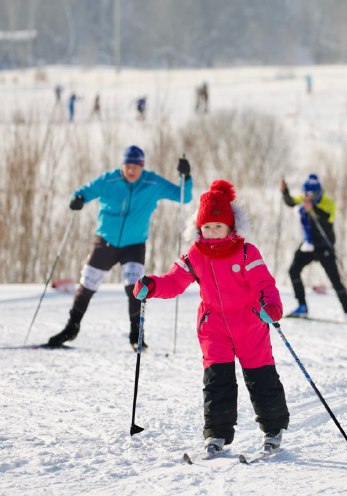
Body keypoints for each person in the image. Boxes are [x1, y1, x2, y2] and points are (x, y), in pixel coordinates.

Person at [133, 180, 290, 454]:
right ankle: (216, 434)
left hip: (250, 324)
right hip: (213, 326)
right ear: (199, 229)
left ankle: (273, 429)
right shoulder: (196, 255)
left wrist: (271, 306)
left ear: (231, 226)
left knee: (261, 377)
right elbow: (174, 281)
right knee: (217, 381)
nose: (213, 233)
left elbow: (264, 284)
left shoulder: (245, 252)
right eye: (207, 227)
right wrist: (153, 286)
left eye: (218, 226)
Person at [46, 146, 193, 348]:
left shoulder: (152, 182)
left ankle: (136, 334)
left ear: (142, 166)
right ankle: (72, 328)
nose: (131, 170)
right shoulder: (109, 180)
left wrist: (186, 177)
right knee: (87, 284)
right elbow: (84, 191)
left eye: (136, 166)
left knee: (135, 287)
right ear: (122, 165)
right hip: (105, 242)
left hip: (134, 245)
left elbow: (183, 196)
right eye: (127, 166)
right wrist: (77, 199)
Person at [280, 174, 347, 323]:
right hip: (308, 245)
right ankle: (302, 306)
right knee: (293, 270)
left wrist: (313, 209)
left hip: (324, 246)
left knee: (335, 280)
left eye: (310, 194)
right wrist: (284, 191)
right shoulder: (305, 199)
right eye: (305, 193)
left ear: (318, 192)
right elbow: (290, 202)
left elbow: (327, 219)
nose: (307, 196)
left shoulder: (328, 203)